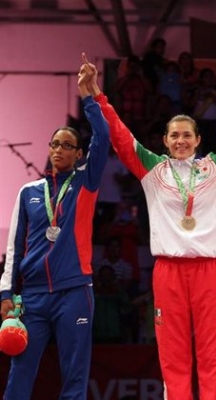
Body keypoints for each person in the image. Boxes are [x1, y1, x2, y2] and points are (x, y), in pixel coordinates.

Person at [92, 62, 216, 399]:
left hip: (210, 270)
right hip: (168, 271)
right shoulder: (151, 169)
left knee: (213, 355)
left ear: (198, 139)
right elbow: (120, 136)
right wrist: (98, 96)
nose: (181, 140)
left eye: (187, 134)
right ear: (165, 141)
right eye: (175, 135)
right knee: (173, 356)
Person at [0, 54, 110, 399]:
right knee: (21, 369)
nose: (59, 149)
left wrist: (88, 96)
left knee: (74, 373)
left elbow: (103, 139)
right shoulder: (28, 192)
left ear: (79, 154)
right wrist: (6, 294)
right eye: (55, 144)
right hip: (31, 296)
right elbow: (14, 249)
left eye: (67, 145)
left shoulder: (85, 184)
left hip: (74, 291)